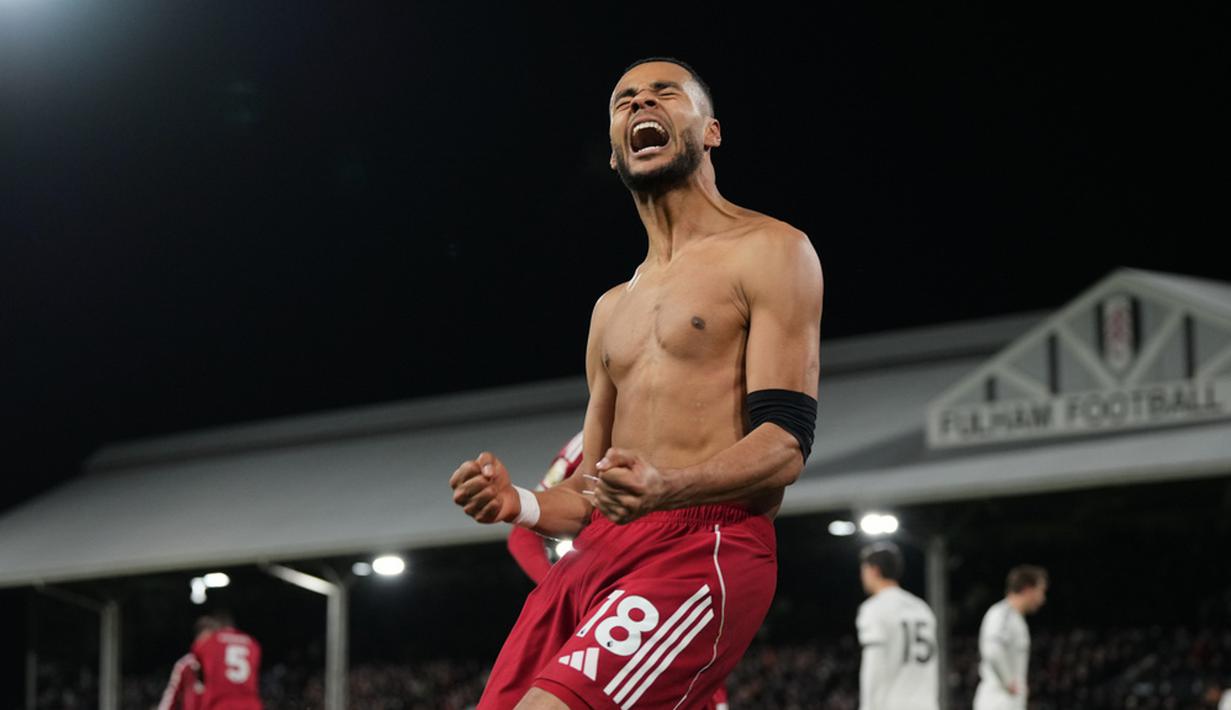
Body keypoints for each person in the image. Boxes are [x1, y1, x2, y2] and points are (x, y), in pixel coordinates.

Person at [450, 56, 823, 709]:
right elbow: (590, 491)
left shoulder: (771, 250)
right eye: (624, 100)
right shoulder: (608, 310)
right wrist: (518, 503)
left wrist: (667, 487)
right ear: (616, 155)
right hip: (595, 558)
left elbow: (785, 445)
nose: (640, 105)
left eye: (664, 94)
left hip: (704, 544)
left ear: (710, 131)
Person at [506, 431, 730, 709]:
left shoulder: (699, 428)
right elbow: (523, 536)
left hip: (667, 586)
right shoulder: (591, 438)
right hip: (602, 600)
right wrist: (578, 599)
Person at [855, 542, 939, 710]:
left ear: (874, 570)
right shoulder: (922, 608)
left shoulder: (874, 608)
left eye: (863, 570)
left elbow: (874, 666)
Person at [973, 565, 1048, 710]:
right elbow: (992, 650)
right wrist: (1009, 683)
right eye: (1041, 591)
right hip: (997, 702)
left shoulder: (1016, 619)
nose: (1042, 599)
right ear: (1028, 589)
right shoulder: (1002, 614)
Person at [158, 612, 263, 710]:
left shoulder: (208, 646)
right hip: (252, 704)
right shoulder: (252, 643)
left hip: (221, 704)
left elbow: (170, 696)